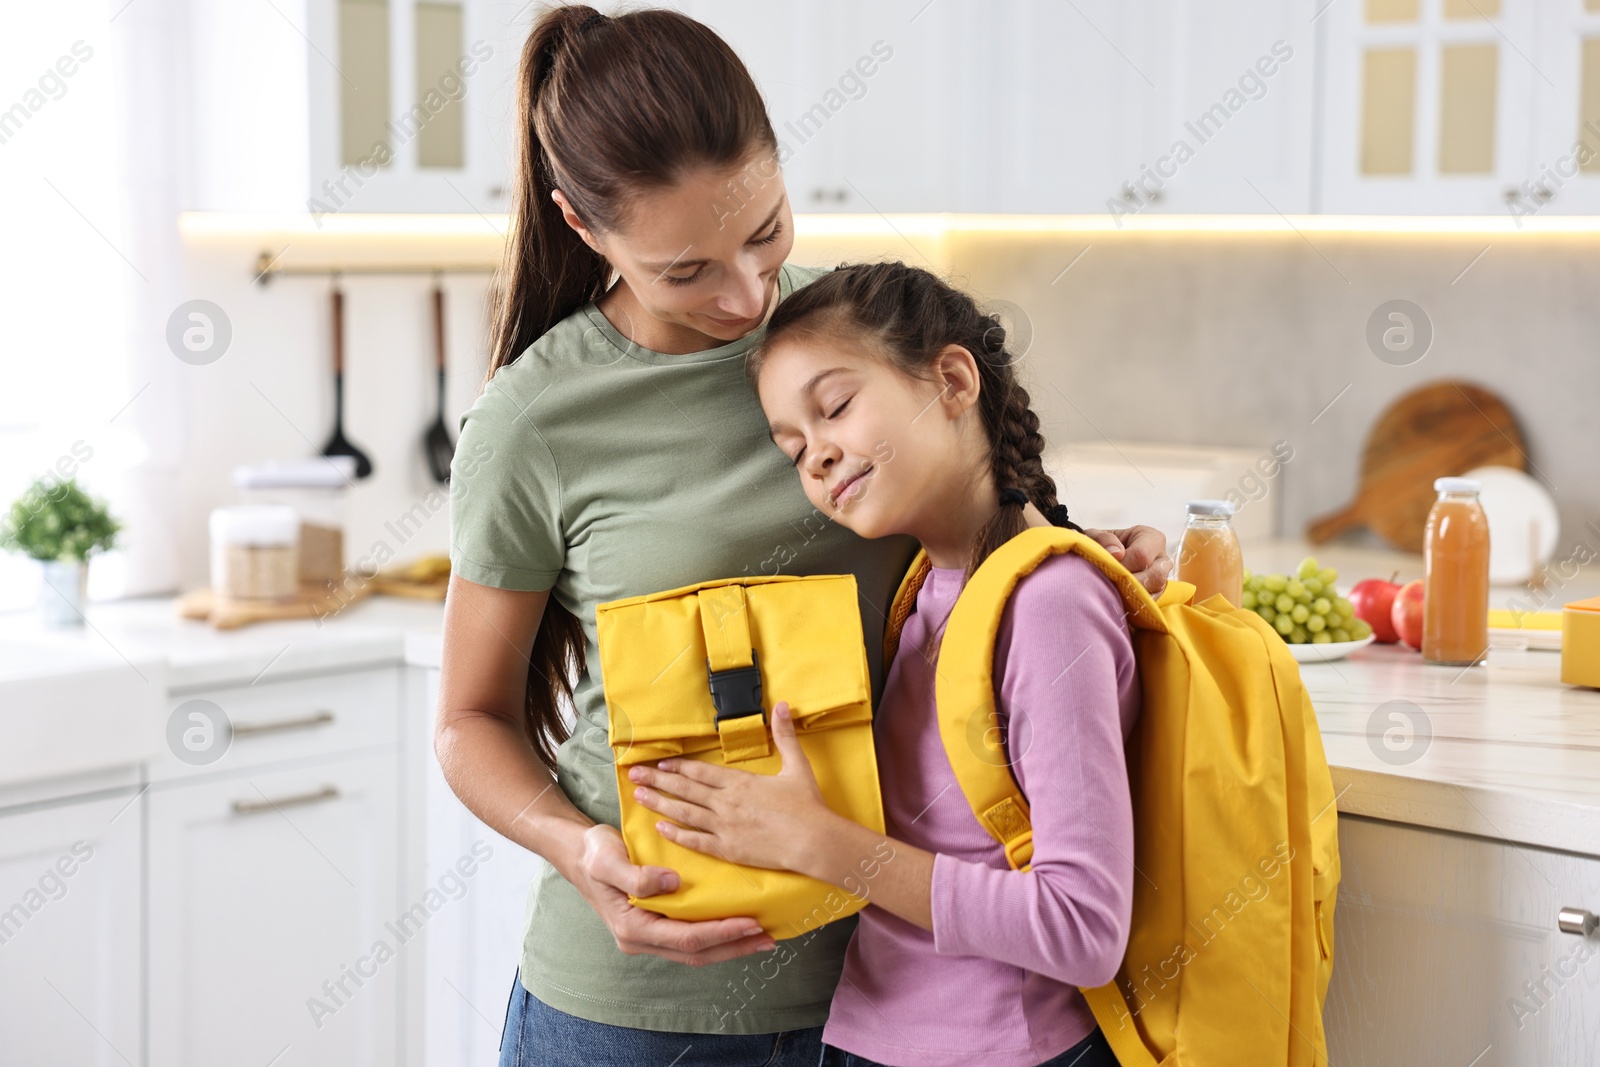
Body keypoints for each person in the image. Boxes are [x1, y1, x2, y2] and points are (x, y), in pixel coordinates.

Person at [436, 7, 1171, 1065]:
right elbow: (468, 719)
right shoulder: (532, 422)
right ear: (583, 227)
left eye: (765, 230)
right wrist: (577, 847)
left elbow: (952, 548)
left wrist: (1064, 551)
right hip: (636, 1008)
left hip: (884, 991)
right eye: (685, 271)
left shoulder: (839, 343)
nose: (744, 295)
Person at [627, 262, 1135, 1067]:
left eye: (835, 408)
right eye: (793, 448)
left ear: (954, 379)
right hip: (870, 1037)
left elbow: (1082, 928)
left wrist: (826, 846)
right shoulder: (925, 588)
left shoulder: (1049, 603)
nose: (817, 456)